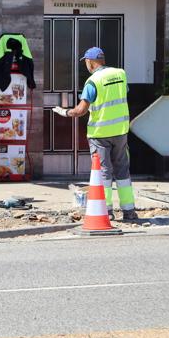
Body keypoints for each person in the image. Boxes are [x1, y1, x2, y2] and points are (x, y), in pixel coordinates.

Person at [52, 47, 138, 221]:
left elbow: (80, 110)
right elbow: (122, 96)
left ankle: (106, 211)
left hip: (100, 134)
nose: (86, 65)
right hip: (120, 131)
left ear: (90, 62)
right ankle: (129, 211)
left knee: (104, 172)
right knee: (122, 170)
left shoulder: (93, 81)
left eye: (86, 62)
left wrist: (63, 112)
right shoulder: (121, 74)